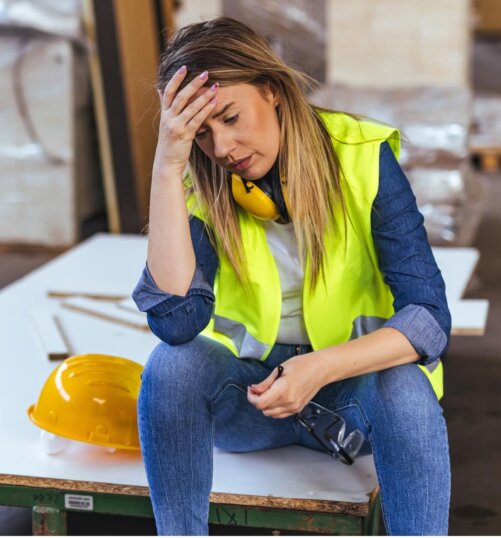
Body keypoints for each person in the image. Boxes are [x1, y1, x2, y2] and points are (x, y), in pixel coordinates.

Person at [132, 17, 451, 535]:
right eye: (202, 134)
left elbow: (429, 320)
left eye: (231, 117)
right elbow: (175, 323)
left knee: (405, 388)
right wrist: (168, 165)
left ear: (272, 89)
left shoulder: (362, 158)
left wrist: (320, 369)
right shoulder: (198, 183)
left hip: (348, 397)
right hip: (254, 400)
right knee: (172, 367)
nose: (223, 149)